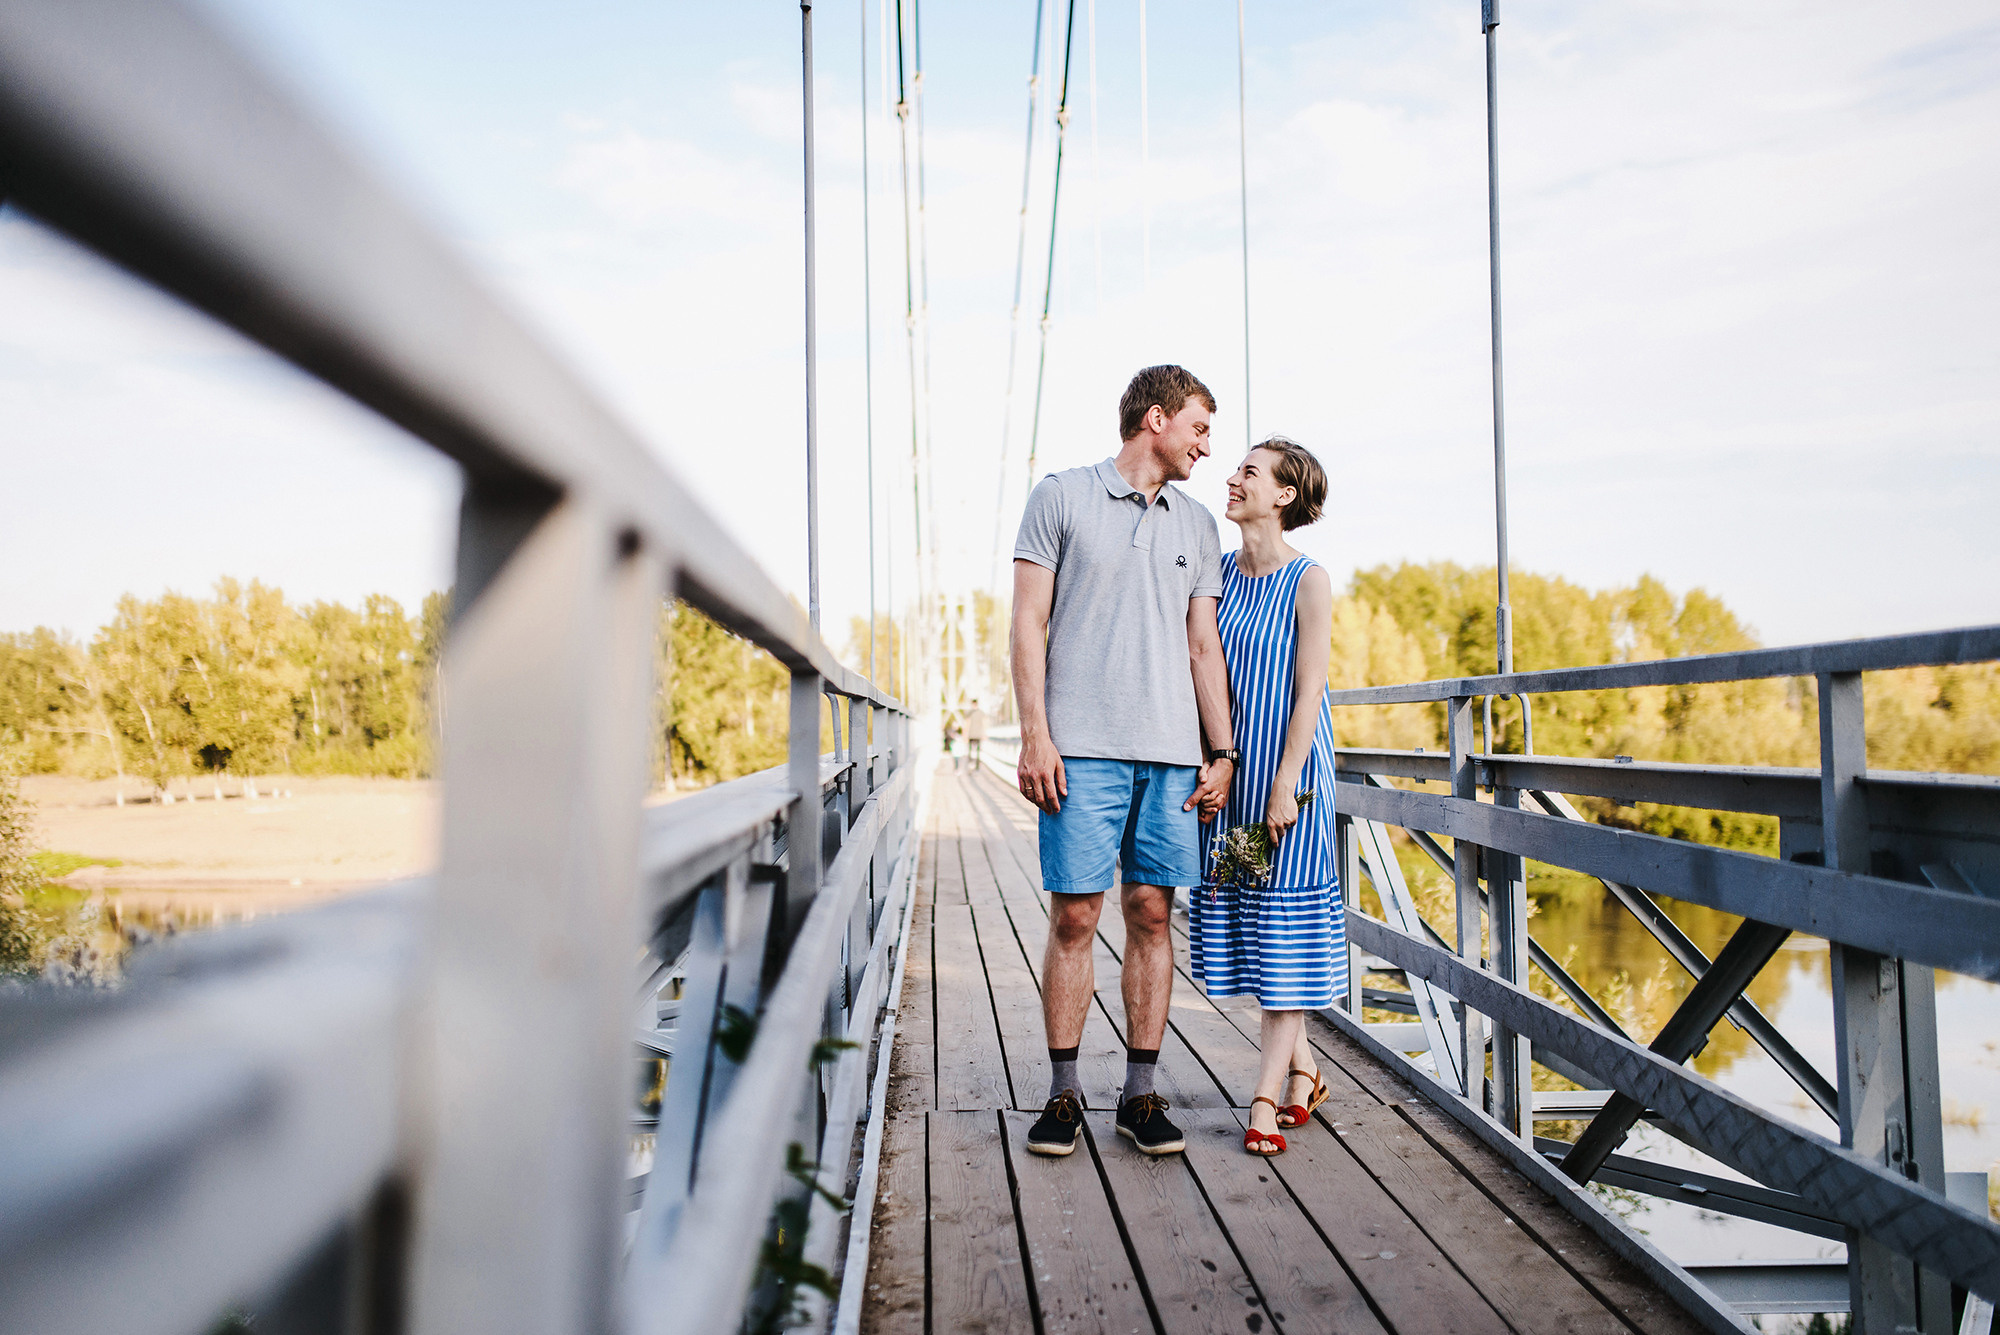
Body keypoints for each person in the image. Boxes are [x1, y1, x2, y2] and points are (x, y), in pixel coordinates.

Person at [1011, 365, 1238, 1159]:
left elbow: (1203, 646)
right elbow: (1027, 622)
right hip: (1079, 749)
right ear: (1157, 419)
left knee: (1151, 912)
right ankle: (1064, 1092)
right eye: (1199, 428)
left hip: (1171, 755)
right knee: (1075, 914)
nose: (1207, 447)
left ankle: (1140, 1094)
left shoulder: (1199, 525)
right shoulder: (1061, 497)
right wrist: (1035, 734)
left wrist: (1223, 750)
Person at [1187, 436, 1344, 1156]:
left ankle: (1262, 1099)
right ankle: (1306, 1069)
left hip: (1292, 778)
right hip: (1235, 777)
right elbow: (1200, 667)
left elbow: (1309, 691)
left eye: (1248, 471)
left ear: (1283, 494)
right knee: (1255, 924)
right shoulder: (1218, 572)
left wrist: (1285, 783)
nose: (1232, 477)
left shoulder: (1309, 580)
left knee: (1283, 925)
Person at [964, 702, 988, 770]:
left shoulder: (969, 713)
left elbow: (967, 724)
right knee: (977, 750)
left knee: (971, 750)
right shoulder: (981, 713)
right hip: (978, 734)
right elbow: (985, 723)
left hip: (972, 734)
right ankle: (976, 765)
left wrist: (965, 735)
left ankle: (971, 763)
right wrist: (984, 734)